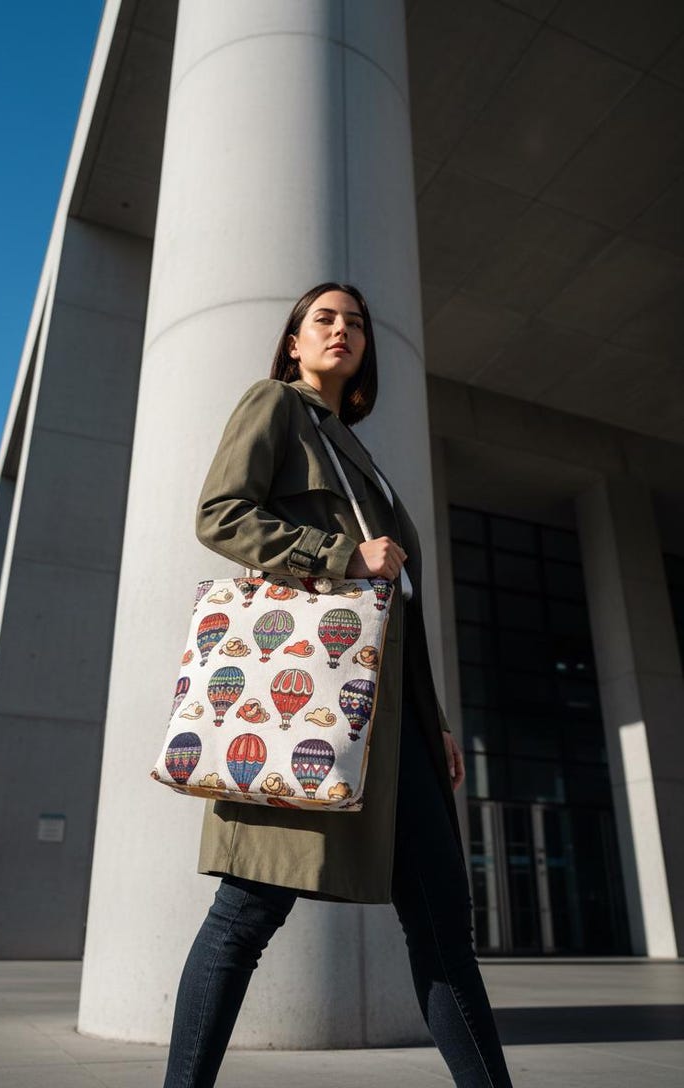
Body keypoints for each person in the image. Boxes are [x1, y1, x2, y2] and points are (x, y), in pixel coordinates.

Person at [162, 282, 515, 1088]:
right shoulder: (276, 405)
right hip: (308, 709)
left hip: (396, 723)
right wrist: (340, 555)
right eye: (323, 318)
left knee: (445, 932)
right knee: (246, 915)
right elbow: (220, 513)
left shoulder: (359, 457)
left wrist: (436, 722)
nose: (342, 330)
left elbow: (401, 611)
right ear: (294, 341)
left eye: (355, 323)